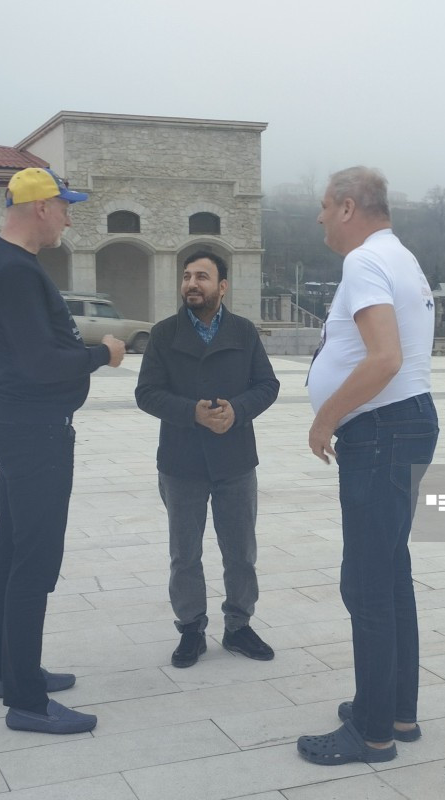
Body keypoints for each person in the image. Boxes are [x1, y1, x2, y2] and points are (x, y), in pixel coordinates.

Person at [0, 166, 126, 734]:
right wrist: (104, 354)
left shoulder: (4, 261)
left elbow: (30, 350)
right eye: (65, 207)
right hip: (35, 431)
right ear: (41, 207)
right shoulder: (16, 270)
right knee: (33, 561)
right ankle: (28, 702)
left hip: (20, 425)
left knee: (11, 549)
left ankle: (11, 671)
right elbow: (41, 362)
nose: (68, 218)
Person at [297, 167, 438, 765]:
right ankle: (396, 711)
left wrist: (324, 418)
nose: (320, 217)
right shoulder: (400, 256)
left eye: (325, 206)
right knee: (390, 573)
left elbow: (384, 358)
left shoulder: (364, 262)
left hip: (380, 432)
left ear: (349, 207)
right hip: (405, 425)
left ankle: (372, 732)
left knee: (366, 584)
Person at [135, 250, 280, 668]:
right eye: (187, 276)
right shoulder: (164, 334)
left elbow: (267, 385)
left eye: (202, 276)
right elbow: (146, 393)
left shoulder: (243, 332)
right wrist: (191, 413)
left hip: (235, 460)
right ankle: (191, 629)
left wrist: (238, 410)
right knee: (185, 554)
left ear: (222, 286)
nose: (191, 284)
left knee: (241, 552)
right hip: (181, 462)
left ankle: (239, 626)